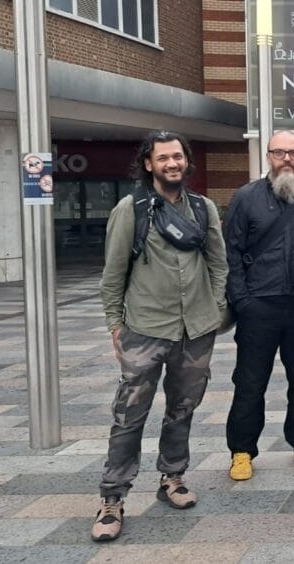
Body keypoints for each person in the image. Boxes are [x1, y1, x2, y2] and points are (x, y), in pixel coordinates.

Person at [94, 130, 228, 541]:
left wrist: (215, 309)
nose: (172, 164)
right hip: (146, 329)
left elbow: (218, 265)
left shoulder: (203, 209)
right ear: (148, 164)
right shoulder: (130, 210)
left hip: (196, 331)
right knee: (128, 415)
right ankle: (112, 498)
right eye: (163, 158)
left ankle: (173, 477)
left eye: (178, 157)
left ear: (186, 162)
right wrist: (115, 324)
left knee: (182, 409)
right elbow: (113, 274)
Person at [224, 131, 294, 481]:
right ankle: (242, 450)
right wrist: (242, 302)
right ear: (268, 156)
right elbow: (231, 252)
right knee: (250, 382)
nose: (287, 159)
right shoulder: (246, 198)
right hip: (259, 307)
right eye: (279, 152)